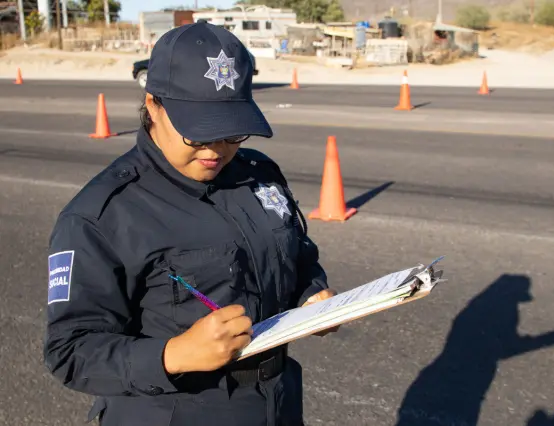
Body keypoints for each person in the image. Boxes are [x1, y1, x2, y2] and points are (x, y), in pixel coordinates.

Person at [43, 20, 338, 426]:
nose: (217, 151)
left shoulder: (259, 175)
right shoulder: (103, 214)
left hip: (276, 402)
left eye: (232, 134)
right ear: (153, 106)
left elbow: (296, 254)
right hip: (174, 410)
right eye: (198, 136)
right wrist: (174, 354)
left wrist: (313, 295)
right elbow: (70, 350)